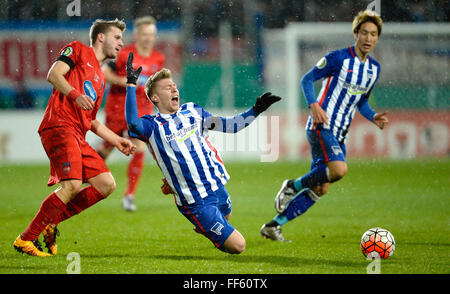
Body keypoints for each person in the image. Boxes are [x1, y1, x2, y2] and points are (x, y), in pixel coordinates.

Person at [125, 52, 281, 254]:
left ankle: (204, 223)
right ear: (155, 97)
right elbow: (132, 123)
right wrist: (130, 84)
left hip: (217, 187)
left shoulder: (193, 112)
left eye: (174, 85)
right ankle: (201, 220)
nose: (173, 88)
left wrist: (255, 110)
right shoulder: (151, 125)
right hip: (195, 200)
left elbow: (230, 126)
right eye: (166, 87)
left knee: (226, 216)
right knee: (238, 246)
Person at [260, 10, 389, 242]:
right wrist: (313, 105)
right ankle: (292, 185)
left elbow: (361, 100)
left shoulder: (373, 69)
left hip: (340, 132)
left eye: (373, 34)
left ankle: (273, 226)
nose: (368, 38)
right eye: (364, 33)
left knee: (321, 188)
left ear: (377, 37)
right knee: (339, 170)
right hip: (322, 124)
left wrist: (373, 117)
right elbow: (306, 78)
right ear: (356, 34)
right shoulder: (338, 58)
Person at [13, 19, 136, 257]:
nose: (122, 43)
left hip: (77, 134)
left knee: (106, 184)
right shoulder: (78, 49)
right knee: (72, 185)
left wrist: (116, 140)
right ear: (101, 37)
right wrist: (75, 94)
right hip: (59, 124)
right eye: (117, 37)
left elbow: (91, 120)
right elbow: (54, 74)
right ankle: (25, 239)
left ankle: (52, 221)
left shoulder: (100, 79)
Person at [97, 16, 165, 212]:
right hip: (117, 109)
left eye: (151, 34)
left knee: (140, 146)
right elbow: (105, 74)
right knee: (107, 147)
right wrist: (127, 82)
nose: (148, 38)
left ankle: (129, 195)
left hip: (141, 111)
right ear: (137, 35)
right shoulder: (124, 53)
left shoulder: (158, 59)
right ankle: (84, 177)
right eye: (144, 34)